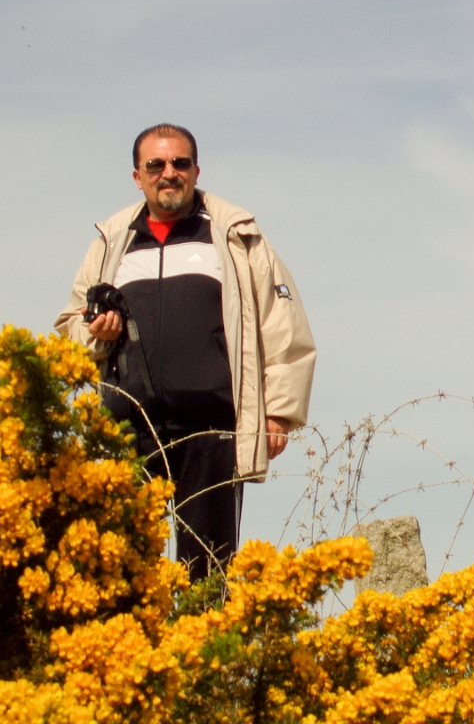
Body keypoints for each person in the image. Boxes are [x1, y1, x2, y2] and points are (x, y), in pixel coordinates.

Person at [56, 124, 316, 580]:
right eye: (155, 165)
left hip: (211, 431)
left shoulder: (236, 236)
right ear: (138, 176)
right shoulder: (111, 242)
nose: (168, 174)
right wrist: (98, 332)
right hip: (126, 432)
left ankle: (206, 649)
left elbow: (283, 324)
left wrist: (279, 412)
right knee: (123, 572)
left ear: (197, 170)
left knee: (209, 572)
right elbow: (68, 330)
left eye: (180, 163)